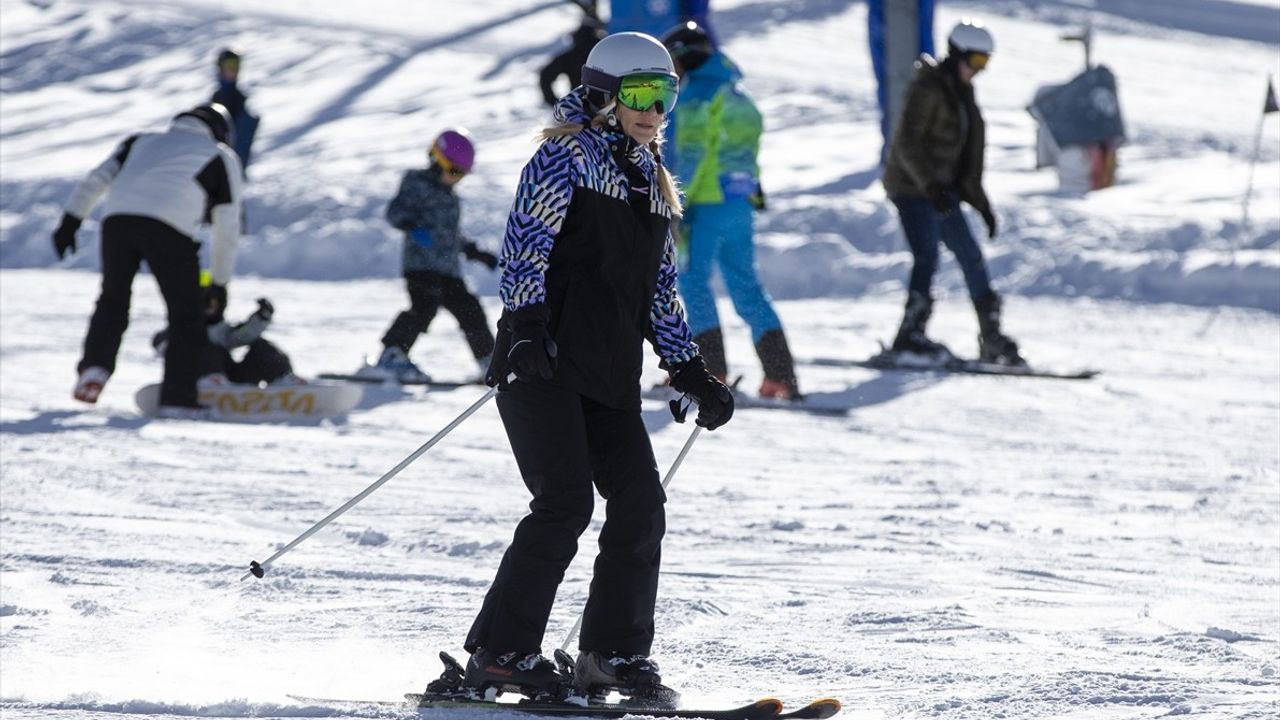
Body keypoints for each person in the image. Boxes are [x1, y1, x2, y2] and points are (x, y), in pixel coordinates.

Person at [459, 32, 734, 702]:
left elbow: (659, 291)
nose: (653, 109)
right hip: (544, 363)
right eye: (640, 94)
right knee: (564, 505)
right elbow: (524, 245)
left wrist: (690, 369)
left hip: (608, 373)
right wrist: (524, 329)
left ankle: (611, 653)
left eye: (665, 95)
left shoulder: (652, 181)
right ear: (604, 94)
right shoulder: (565, 155)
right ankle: (503, 653)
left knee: (641, 505)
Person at [53, 103, 243, 417]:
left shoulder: (140, 141)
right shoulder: (220, 154)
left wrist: (71, 220)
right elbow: (228, 229)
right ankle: (178, 399)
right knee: (186, 315)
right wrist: (219, 285)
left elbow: (97, 178)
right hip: (170, 229)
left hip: (117, 222)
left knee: (113, 299)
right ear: (220, 131)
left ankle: (94, 369)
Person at [661, 21, 801, 400]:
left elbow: (694, 154)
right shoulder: (736, 92)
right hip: (739, 204)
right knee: (745, 286)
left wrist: (675, 202)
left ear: (685, 57)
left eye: (673, 59)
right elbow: (743, 150)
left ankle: (711, 372)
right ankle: (780, 376)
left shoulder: (698, 95)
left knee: (693, 283)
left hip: (706, 203)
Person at [881, 18, 1024, 365]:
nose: (979, 71)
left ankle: (990, 335)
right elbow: (906, 144)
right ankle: (910, 334)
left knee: (971, 256)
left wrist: (981, 203)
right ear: (958, 54)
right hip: (913, 189)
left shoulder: (961, 91)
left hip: (940, 192)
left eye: (984, 64)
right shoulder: (927, 88)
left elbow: (966, 158)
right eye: (976, 62)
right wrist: (930, 186)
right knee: (927, 256)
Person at [363, 129, 498, 383]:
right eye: (455, 171)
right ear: (438, 161)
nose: (458, 179)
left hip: (448, 268)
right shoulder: (416, 182)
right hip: (421, 265)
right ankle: (392, 355)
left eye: (462, 174)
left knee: (470, 310)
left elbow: (451, 234)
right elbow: (394, 212)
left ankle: (489, 361)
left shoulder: (450, 197)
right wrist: (411, 225)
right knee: (424, 307)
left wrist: (473, 251)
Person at [152, 289, 299, 387]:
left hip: (230, 380)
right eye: (207, 302)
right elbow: (161, 344)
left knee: (261, 345)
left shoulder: (221, 329)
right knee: (209, 350)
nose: (211, 307)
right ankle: (212, 381)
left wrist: (261, 317)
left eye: (215, 303)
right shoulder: (181, 329)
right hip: (196, 381)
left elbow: (244, 334)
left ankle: (283, 380)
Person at [538, 2, 606, 107]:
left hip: (579, 108)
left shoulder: (570, 56)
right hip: (607, 109)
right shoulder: (606, 53)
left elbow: (545, 75)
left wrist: (556, 103)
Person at [211, 48, 260, 173]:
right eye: (228, 65)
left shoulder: (239, 98)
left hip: (235, 162)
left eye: (235, 66)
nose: (232, 70)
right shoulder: (217, 97)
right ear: (220, 68)